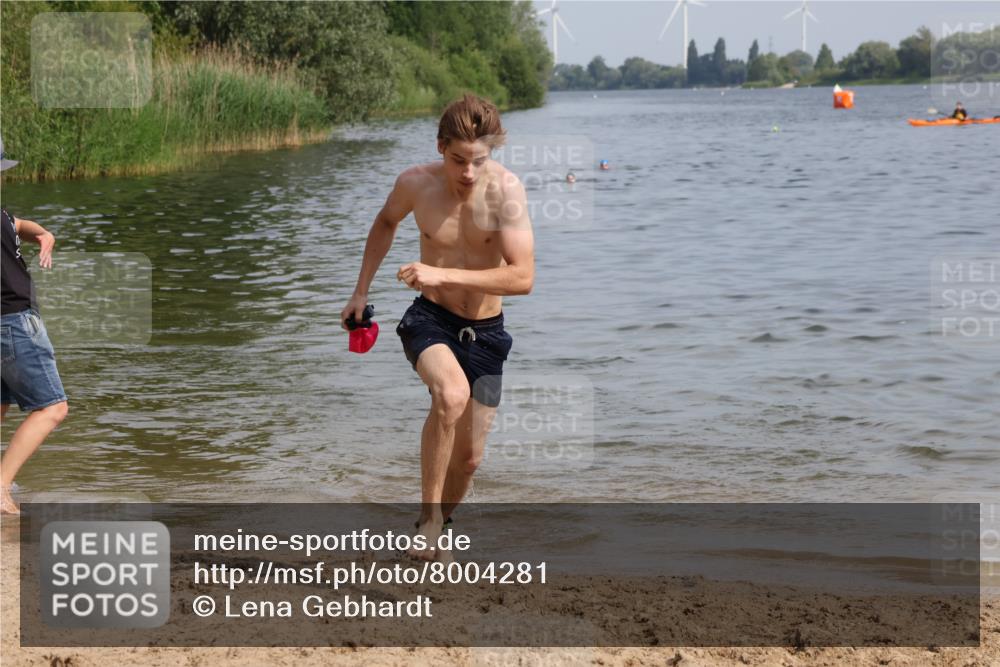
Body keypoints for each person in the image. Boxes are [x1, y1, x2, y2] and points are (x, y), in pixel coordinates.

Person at [340, 94, 534, 561]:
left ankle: (439, 525)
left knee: (469, 460)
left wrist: (443, 273)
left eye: (478, 161)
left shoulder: (506, 192)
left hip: (488, 332)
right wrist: (360, 291)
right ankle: (427, 523)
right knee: (450, 395)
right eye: (457, 160)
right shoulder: (415, 184)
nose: (467, 173)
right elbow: (385, 222)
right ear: (440, 147)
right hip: (430, 319)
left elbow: (522, 277)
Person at [1, 137, 69, 515]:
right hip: (14, 321)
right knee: (52, 408)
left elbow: (19, 223)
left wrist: (42, 233)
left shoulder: (3, 217)